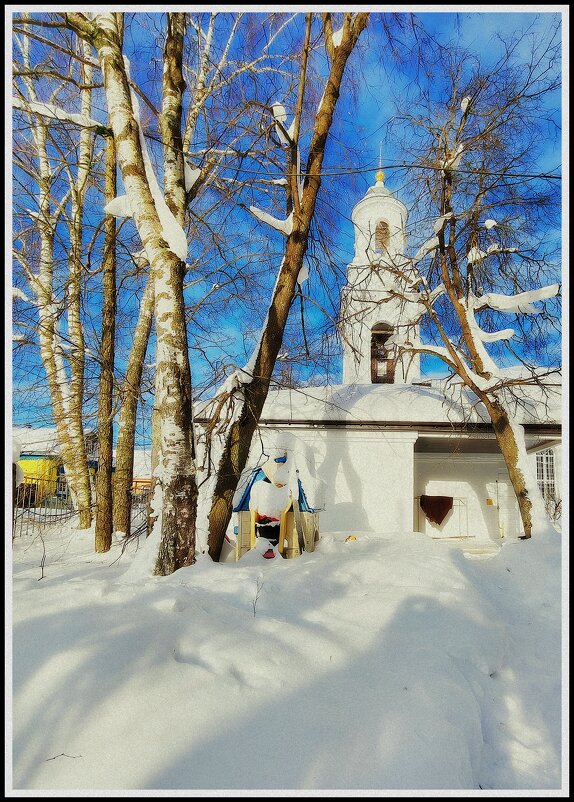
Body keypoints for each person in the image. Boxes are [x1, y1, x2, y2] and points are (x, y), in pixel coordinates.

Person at [248, 455, 291, 558]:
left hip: (273, 524)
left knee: (269, 531)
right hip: (268, 524)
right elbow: (254, 506)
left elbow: (254, 506)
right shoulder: (260, 486)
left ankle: (269, 548)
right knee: (267, 531)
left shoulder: (261, 486)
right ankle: (267, 547)